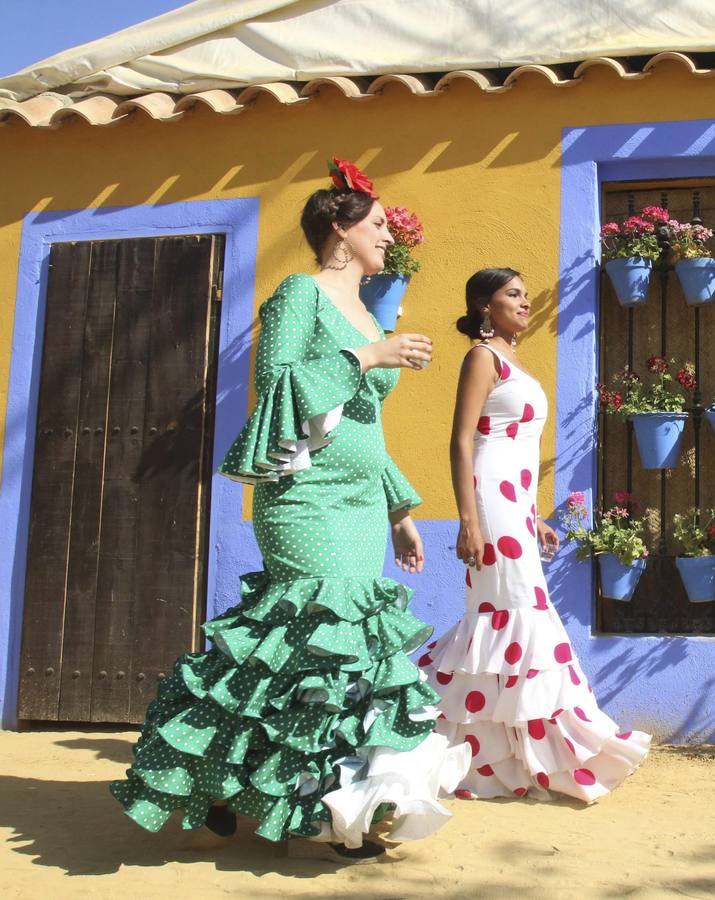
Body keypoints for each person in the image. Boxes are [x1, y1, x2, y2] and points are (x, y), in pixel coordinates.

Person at [110, 158, 470, 862]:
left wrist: (399, 508)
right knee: (310, 638)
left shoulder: (366, 311)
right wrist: (370, 355)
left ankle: (229, 787)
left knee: (325, 649)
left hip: (362, 504)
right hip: (302, 498)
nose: (388, 237)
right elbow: (275, 386)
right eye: (376, 226)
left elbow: (363, 429)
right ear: (338, 232)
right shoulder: (298, 297)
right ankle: (333, 810)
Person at [419, 268, 649, 801]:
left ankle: (505, 755)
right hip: (489, 507)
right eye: (512, 295)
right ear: (484, 307)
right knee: (517, 614)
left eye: (525, 294)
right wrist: (469, 521)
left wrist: (533, 516)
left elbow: (517, 449)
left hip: (514, 507)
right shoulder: (482, 358)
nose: (525, 302)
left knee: (508, 619)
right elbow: (462, 443)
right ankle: (541, 758)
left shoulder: (513, 360)